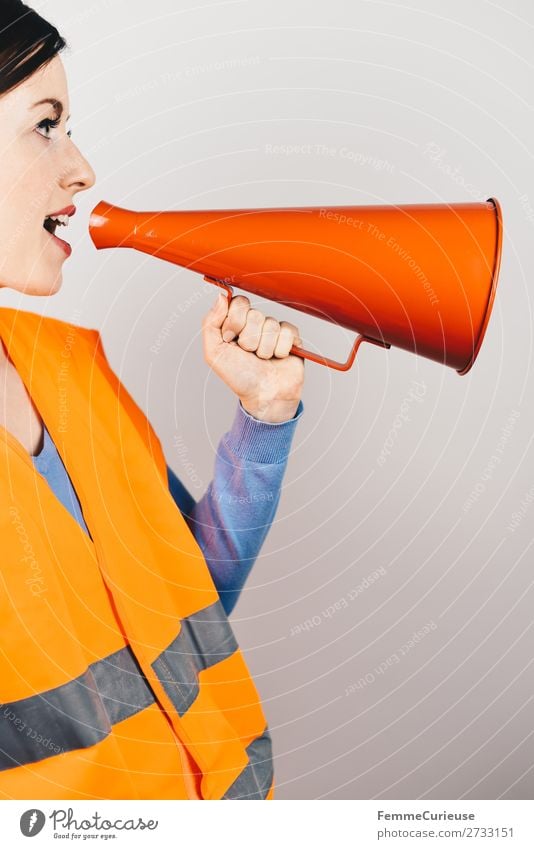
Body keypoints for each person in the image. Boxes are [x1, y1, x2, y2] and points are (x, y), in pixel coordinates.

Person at [0, 1, 304, 800]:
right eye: (46, 126)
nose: (82, 169)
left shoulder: (68, 368)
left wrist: (263, 424)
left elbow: (178, 599)